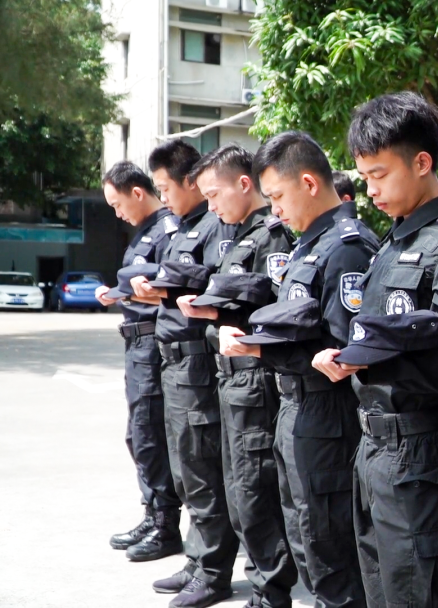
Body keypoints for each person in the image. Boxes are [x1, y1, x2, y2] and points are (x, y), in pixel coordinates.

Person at [308, 91, 438, 608]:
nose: (370, 191)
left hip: (425, 459)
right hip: (375, 452)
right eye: (364, 178)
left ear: (421, 162)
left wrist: (368, 365)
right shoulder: (391, 244)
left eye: (379, 175)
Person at [217, 131, 378, 608]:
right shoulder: (310, 243)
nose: (275, 210)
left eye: (278, 197)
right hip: (296, 410)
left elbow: (341, 348)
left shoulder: (346, 246)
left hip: (328, 415)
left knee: (332, 550)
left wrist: (259, 351)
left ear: (309, 183)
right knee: (307, 538)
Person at [175, 144, 298, 608]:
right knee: (235, 487)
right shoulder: (241, 235)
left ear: (244, 184)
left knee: (254, 489)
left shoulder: (272, 236)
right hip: (230, 378)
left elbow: (275, 306)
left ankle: (270, 590)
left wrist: (222, 306)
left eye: (214, 195)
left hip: (254, 380)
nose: (211, 206)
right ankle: (252, 579)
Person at [129, 140, 240, 608]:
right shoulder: (183, 228)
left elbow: (213, 288)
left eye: (165, 187)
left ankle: (213, 571)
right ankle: (197, 558)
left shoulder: (218, 227)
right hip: (173, 360)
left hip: (196, 360)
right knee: (184, 467)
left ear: (191, 182)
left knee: (202, 467)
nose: (165, 197)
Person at [96, 161, 183, 560]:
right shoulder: (143, 232)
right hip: (135, 343)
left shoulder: (167, 231)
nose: (117, 213)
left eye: (117, 204)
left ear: (137, 191)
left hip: (151, 343)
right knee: (138, 434)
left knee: (148, 434)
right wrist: (114, 293)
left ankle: (166, 525)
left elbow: (166, 288)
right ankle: (152, 512)